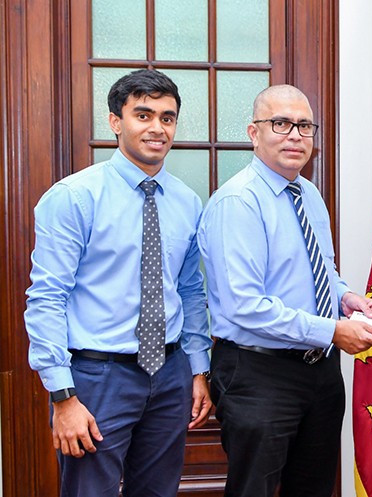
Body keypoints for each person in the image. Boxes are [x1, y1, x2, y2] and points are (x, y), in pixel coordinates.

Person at [24, 69, 212, 497]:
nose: (157, 128)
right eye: (143, 115)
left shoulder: (186, 201)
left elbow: (190, 291)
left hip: (171, 375)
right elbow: (47, 298)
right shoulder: (74, 197)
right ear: (115, 121)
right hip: (96, 378)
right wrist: (63, 396)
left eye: (167, 117)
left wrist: (198, 369)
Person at [198, 84, 372, 497]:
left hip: (320, 371)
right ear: (254, 133)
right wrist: (333, 330)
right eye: (281, 124)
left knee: (314, 488)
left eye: (304, 126)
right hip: (258, 371)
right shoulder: (238, 202)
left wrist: (346, 298)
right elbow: (245, 306)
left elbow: (322, 271)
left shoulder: (308, 194)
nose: (295, 136)